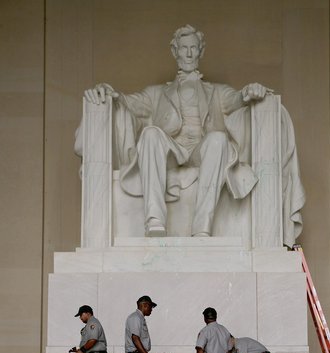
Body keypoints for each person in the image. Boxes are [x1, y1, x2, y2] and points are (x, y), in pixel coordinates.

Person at [82, 24, 271, 237]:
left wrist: (249, 91)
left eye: (193, 47)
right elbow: (127, 102)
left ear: (202, 50)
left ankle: (202, 227)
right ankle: (154, 220)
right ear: (175, 51)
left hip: (202, 151)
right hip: (172, 151)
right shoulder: (156, 93)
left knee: (218, 138)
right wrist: (108, 92)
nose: (189, 53)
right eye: (183, 48)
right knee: (151, 133)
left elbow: (238, 98)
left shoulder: (216, 92)